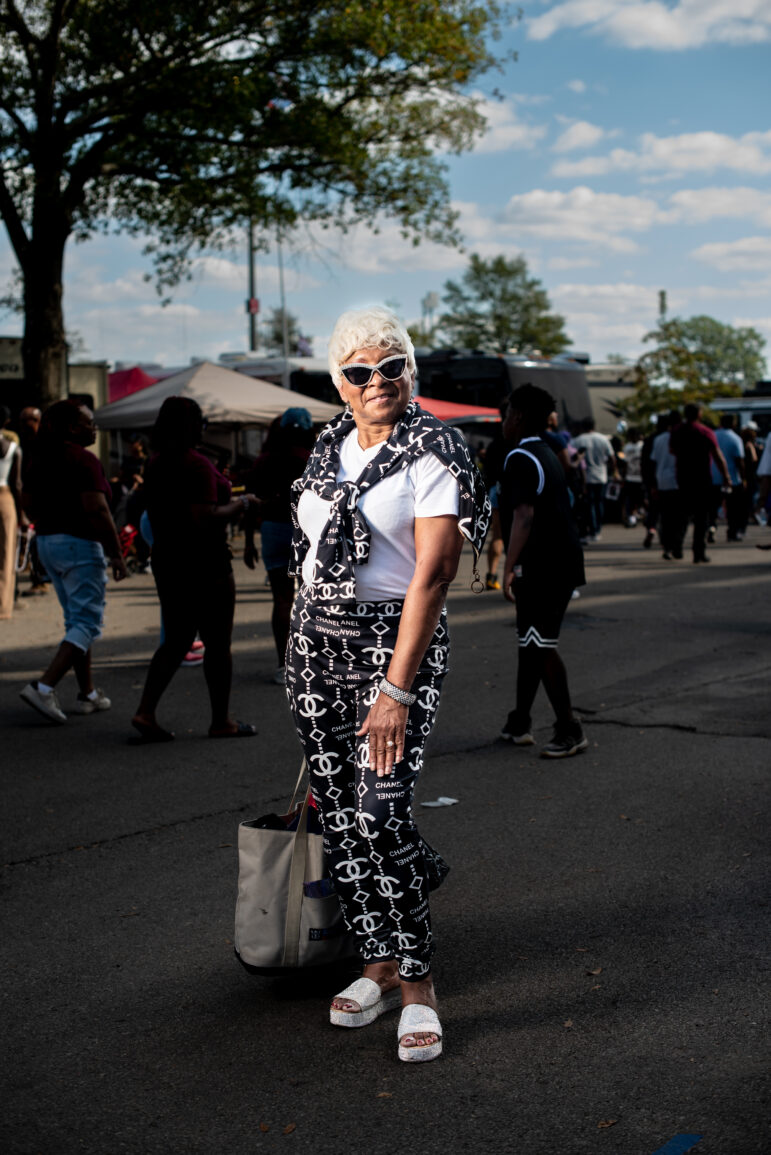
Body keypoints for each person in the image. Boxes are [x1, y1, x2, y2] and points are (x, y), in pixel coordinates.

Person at [286, 305, 489, 1064]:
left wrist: (394, 690)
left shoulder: (434, 446)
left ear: (411, 369)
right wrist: (295, 648)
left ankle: (417, 983)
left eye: (392, 365)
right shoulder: (325, 444)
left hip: (391, 649)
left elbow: (432, 572)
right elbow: (305, 554)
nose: (378, 382)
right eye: (360, 371)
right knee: (340, 816)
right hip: (315, 650)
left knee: (379, 812)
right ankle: (372, 958)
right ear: (339, 383)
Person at [131, 397, 260, 741]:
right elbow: (204, 517)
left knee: (175, 639)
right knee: (218, 643)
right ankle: (222, 721)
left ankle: (145, 711)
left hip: (168, 559)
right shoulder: (197, 465)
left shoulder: (156, 463)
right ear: (194, 427)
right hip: (206, 562)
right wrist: (241, 504)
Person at [20, 401, 127, 722]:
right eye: (87, 423)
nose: (93, 428)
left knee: (76, 621)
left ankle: (88, 693)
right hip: (80, 545)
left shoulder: (37, 459)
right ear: (70, 427)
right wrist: (117, 553)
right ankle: (43, 687)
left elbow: (27, 501)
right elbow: (96, 509)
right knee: (87, 623)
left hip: (49, 543)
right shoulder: (84, 460)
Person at [498, 384, 587, 759]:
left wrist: (507, 567)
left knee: (539, 644)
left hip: (545, 566)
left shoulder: (520, 456)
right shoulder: (546, 451)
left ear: (517, 416)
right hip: (559, 561)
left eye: (506, 413)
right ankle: (519, 721)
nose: (504, 420)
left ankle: (570, 728)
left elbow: (523, 515)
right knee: (530, 642)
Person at [243, 407, 314, 684]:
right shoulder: (312, 458)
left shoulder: (264, 460)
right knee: (310, 599)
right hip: (306, 531)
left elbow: (250, 501)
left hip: (272, 529)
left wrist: (249, 542)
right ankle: (308, 663)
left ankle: (284, 666)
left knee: (282, 600)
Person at [669, 404, 730, 563]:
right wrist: (726, 476)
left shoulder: (677, 431)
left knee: (682, 516)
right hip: (702, 479)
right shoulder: (705, 432)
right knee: (701, 518)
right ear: (699, 414)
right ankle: (698, 552)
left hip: (683, 479)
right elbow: (717, 455)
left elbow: (672, 451)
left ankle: (677, 546)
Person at [572, 417, 617, 542]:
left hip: (586, 477)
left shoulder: (578, 440)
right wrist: (613, 471)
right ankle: (598, 529)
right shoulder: (603, 439)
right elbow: (612, 458)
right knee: (599, 502)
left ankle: (592, 529)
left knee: (590, 504)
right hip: (601, 475)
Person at [0, 406, 26, 620]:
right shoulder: (13, 448)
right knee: (7, 553)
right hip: (5, 498)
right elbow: (17, 483)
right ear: (6, 422)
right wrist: (22, 514)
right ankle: (3, 606)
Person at [649, 410, 682, 560]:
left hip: (662, 482)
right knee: (679, 517)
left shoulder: (659, 439)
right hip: (678, 482)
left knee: (666, 517)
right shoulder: (681, 438)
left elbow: (654, 462)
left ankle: (667, 546)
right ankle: (676, 545)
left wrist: (653, 484)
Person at [710, 414, 746, 542]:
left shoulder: (712, 435)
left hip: (713, 478)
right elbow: (739, 461)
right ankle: (732, 533)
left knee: (712, 508)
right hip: (732, 480)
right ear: (733, 423)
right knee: (733, 509)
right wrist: (743, 478)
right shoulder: (735, 438)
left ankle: (711, 528)